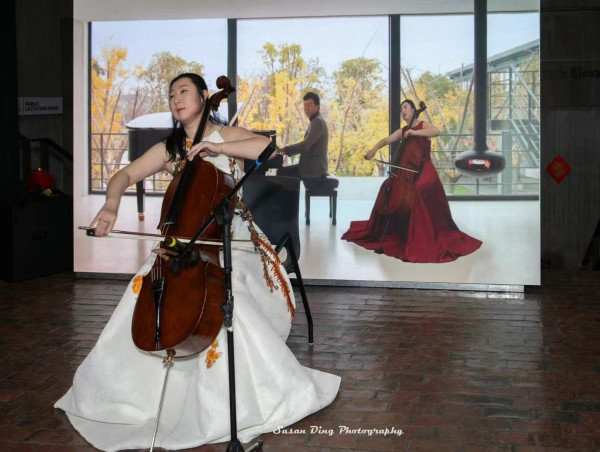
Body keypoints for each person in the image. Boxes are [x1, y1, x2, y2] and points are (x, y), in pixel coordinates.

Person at [55, 73, 340, 451]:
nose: (175, 98)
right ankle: (136, 396)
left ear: (206, 97)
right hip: (184, 243)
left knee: (229, 299)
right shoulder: (171, 147)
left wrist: (216, 147)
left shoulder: (226, 135)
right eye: (171, 93)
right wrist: (110, 204)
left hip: (230, 241)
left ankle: (230, 407)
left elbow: (270, 150)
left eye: (183, 91)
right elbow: (124, 175)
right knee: (146, 293)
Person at [341, 99, 482, 263]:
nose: (402, 111)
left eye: (405, 107)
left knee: (418, 189)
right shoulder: (403, 131)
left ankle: (420, 236)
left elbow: (436, 131)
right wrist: (373, 150)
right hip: (407, 171)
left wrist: (414, 133)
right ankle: (390, 229)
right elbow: (386, 140)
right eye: (401, 109)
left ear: (414, 110)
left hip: (424, 168)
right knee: (387, 186)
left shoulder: (422, 125)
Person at [277, 92, 330, 188]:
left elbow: (305, 145)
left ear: (317, 106)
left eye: (310, 105)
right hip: (313, 167)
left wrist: (286, 150)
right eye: (305, 105)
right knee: (283, 172)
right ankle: (290, 202)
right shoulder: (316, 120)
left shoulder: (317, 122)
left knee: (281, 172)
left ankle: (288, 202)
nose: (306, 108)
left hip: (314, 170)